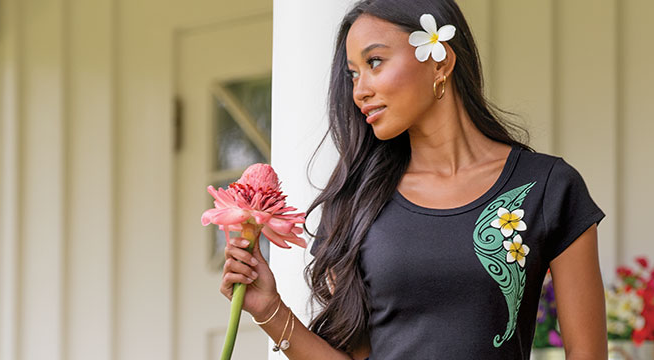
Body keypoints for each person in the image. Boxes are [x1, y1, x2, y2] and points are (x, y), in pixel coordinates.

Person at [217, 0, 608, 358]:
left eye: (374, 63)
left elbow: (588, 354)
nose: (359, 91)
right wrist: (269, 309)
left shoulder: (548, 188)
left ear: (440, 62)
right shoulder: (355, 205)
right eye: (352, 75)